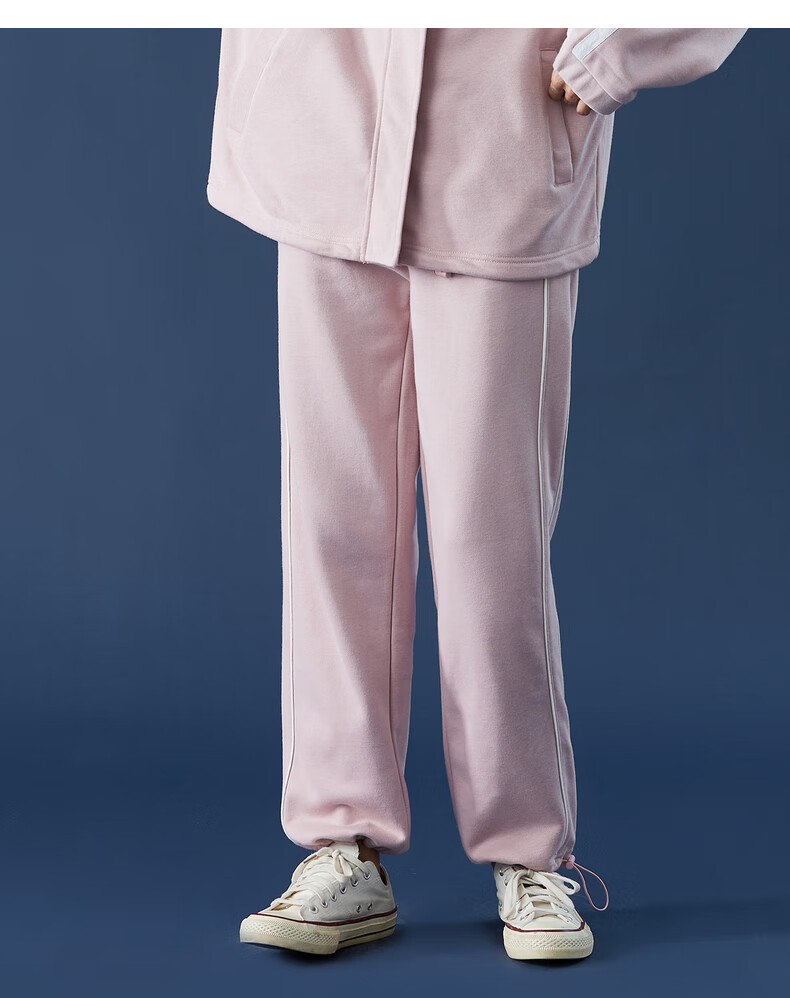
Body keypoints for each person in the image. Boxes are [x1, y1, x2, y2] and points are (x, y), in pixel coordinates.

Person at [206, 27, 746, 960]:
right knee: (333, 522)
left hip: (502, 137)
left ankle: (529, 850)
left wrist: (625, 43)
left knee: (490, 539)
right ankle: (342, 840)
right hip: (324, 126)